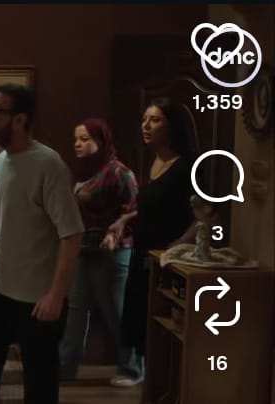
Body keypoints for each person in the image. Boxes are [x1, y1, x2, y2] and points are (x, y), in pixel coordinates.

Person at [0, 83, 84, 404]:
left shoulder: (49, 165)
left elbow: (72, 235)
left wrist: (56, 296)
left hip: (38, 300)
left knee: (40, 385)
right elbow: (7, 229)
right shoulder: (1, 161)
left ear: (20, 119)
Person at [111, 97, 196, 387]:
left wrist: (174, 248)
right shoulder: (152, 160)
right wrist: (126, 218)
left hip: (167, 258)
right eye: (145, 119)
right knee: (139, 317)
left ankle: (162, 384)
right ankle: (146, 380)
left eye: (155, 120)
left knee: (160, 322)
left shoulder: (187, 165)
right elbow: (155, 206)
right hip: (142, 252)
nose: (146, 126)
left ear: (171, 126)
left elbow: (204, 216)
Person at [59, 119, 142, 382]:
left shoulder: (119, 172)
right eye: (76, 139)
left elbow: (136, 210)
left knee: (116, 312)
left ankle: (133, 369)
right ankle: (65, 367)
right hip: (84, 249)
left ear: (101, 141)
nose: (78, 144)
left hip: (112, 252)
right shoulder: (83, 172)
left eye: (85, 139)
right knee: (76, 310)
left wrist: (115, 232)